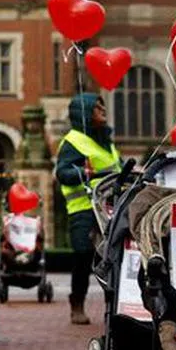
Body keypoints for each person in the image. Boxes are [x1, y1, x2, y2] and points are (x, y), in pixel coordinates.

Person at [55, 93, 121, 326]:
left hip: (108, 209)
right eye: (97, 106)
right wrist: (85, 173)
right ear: (84, 113)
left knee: (111, 259)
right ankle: (77, 304)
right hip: (83, 208)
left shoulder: (106, 141)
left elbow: (116, 168)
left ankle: (112, 308)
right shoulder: (73, 141)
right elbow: (63, 173)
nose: (103, 109)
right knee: (83, 256)